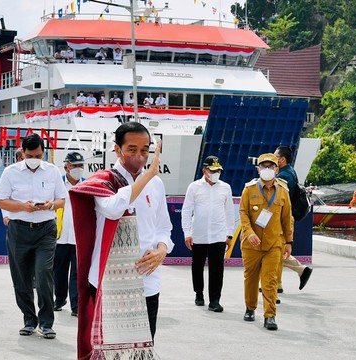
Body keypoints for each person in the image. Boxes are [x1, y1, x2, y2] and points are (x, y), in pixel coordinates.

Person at [70, 122, 172, 359]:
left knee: (142, 348)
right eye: (132, 149)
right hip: (108, 282)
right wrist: (147, 176)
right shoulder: (103, 180)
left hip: (146, 280)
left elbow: (163, 226)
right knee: (107, 349)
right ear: (117, 150)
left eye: (145, 150)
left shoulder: (156, 184)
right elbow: (115, 209)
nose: (140, 156)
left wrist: (162, 249)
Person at [0, 133, 67, 339]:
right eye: (30, 155)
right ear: (23, 153)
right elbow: (0, 201)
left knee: (44, 274)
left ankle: (46, 323)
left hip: (45, 229)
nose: (34, 158)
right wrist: (22, 207)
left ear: (43, 152)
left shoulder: (52, 171)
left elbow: (62, 200)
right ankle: (29, 319)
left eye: (38, 155)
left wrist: (50, 204)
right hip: (19, 230)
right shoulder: (11, 172)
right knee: (21, 278)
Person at [239, 153, 293, 331]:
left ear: (277, 169)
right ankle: (250, 307)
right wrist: (249, 232)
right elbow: (243, 213)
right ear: (258, 169)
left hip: (274, 243)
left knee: (270, 280)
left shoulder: (283, 191)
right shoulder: (249, 189)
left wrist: (289, 241)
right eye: (264, 166)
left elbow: (287, 219)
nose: (267, 170)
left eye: (271, 166)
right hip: (251, 243)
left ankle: (270, 315)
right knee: (251, 277)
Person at [181, 156, 234, 312]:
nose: (216, 173)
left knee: (217, 269)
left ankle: (215, 300)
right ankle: (199, 293)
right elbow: (186, 210)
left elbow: (230, 212)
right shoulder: (194, 187)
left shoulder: (225, 188)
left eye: (218, 170)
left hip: (218, 235)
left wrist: (229, 234)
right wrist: (187, 232)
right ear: (204, 170)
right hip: (198, 234)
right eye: (212, 170)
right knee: (197, 266)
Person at [273, 146, 313, 293]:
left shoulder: (284, 176)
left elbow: (279, 198)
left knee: (276, 250)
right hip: (285, 216)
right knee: (278, 249)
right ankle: (278, 283)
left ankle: (299, 272)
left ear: (282, 159)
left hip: (282, 217)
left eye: (275, 156)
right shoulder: (288, 172)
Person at [53, 152, 86, 317]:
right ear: (66, 166)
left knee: (77, 273)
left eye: (81, 166)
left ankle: (76, 306)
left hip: (79, 237)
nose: (78, 169)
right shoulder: (57, 184)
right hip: (59, 237)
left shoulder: (87, 186)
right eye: (74, 166)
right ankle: (59, 299)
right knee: (58, 271)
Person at [3, 149, 24, 226]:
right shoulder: (10, 172)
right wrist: (5, 215)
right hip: (15, 218)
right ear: (19, 159)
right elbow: (3, 197)